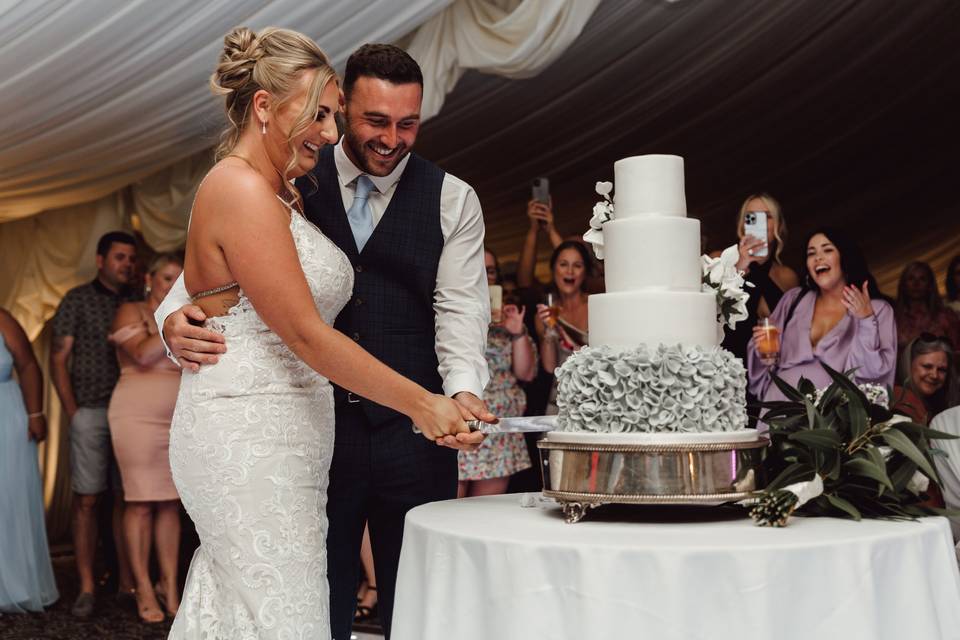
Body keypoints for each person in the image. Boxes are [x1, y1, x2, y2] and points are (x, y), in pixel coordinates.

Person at [155, 31, 486, 639]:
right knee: (303, 606)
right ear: (266, 107)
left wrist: (457, 392)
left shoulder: (449, 198)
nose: (388, 139)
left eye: (408, 124)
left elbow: (460, 309)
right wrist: (171, 319)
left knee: (414, 599)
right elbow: (242, 295)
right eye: (365, 119)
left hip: (385, 436)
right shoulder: (285, 177)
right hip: (276, 429)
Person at [51, 230, 138, 618]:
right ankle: (86, 586)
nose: (127, 265)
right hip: (89, 410)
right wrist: (72, 411)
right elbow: (58, 358)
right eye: (120, 257)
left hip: (131, 413)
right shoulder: (77, 299)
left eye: (131, 259)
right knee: (87, 499)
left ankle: (126, 583)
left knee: (127, 498)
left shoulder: (138, 302)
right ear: (101, 260)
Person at [107, 253, 184, 622]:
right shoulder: (131, 310)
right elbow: (141, 354)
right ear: (151, 279)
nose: (175, 285)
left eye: (181, 279)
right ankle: (141, 588)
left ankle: (170, 590)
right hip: (135, 417)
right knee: (139, 502)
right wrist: (167, 321)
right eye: (168, 278)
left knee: (170, 503)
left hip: (178, 418)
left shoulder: (188, 315)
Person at [747, 227, 897, 404]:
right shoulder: (794, 299)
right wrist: (764, 352)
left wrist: (865, 320)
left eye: (827, 250)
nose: (818, 257)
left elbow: (873, 376)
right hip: (779, 406)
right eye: (811, 253)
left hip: (830, 420)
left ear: (844, 257)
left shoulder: (878, 310)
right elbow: (765, 358)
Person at [459, 249, 536, 497]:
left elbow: (525, 374)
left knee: (484, 514)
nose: (484, 275)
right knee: (447, 509)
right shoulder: (448, 311)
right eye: (478, 267)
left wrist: (516, 332)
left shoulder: (509, 319)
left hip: (497, 429)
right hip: (460, 422)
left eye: (490, 270)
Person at [0, 309, 59, 613]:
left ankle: (15, 585)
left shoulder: (2, 319)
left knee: (9, 501)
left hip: (6, 419)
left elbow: (27, 365)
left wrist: (35, 413)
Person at [720, 193, 799, 362]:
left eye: (767, 216)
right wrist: (740, 264)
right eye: (752, 217)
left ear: (778, 224)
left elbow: (797, 329)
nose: (760, 223)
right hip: (727, 366)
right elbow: (712, 309)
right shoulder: (721, 260)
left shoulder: (786, 276)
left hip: (771, 369)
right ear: (743, 224)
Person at [535, 241, 591, 414]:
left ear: (585, 272)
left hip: (594, 393)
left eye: (577, 265)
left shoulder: (596, 305)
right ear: (554, 270)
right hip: (561, 399)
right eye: (563, 264)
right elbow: (550, 366)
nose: (570, 272)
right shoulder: (545, 314)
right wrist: (549, 329)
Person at [894, 261, 960, 358]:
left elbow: (955, 352)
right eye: (911, 278)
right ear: (903, 285)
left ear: (930, 285)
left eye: (922, 279)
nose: (916, 284)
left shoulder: (946, 316)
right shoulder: (893, 318)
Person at [893, 334, 958, 426]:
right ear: (909, 364)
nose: (934, 375)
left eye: (941, 370)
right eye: (927, 366)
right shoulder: (897, 400)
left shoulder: (942, 407)